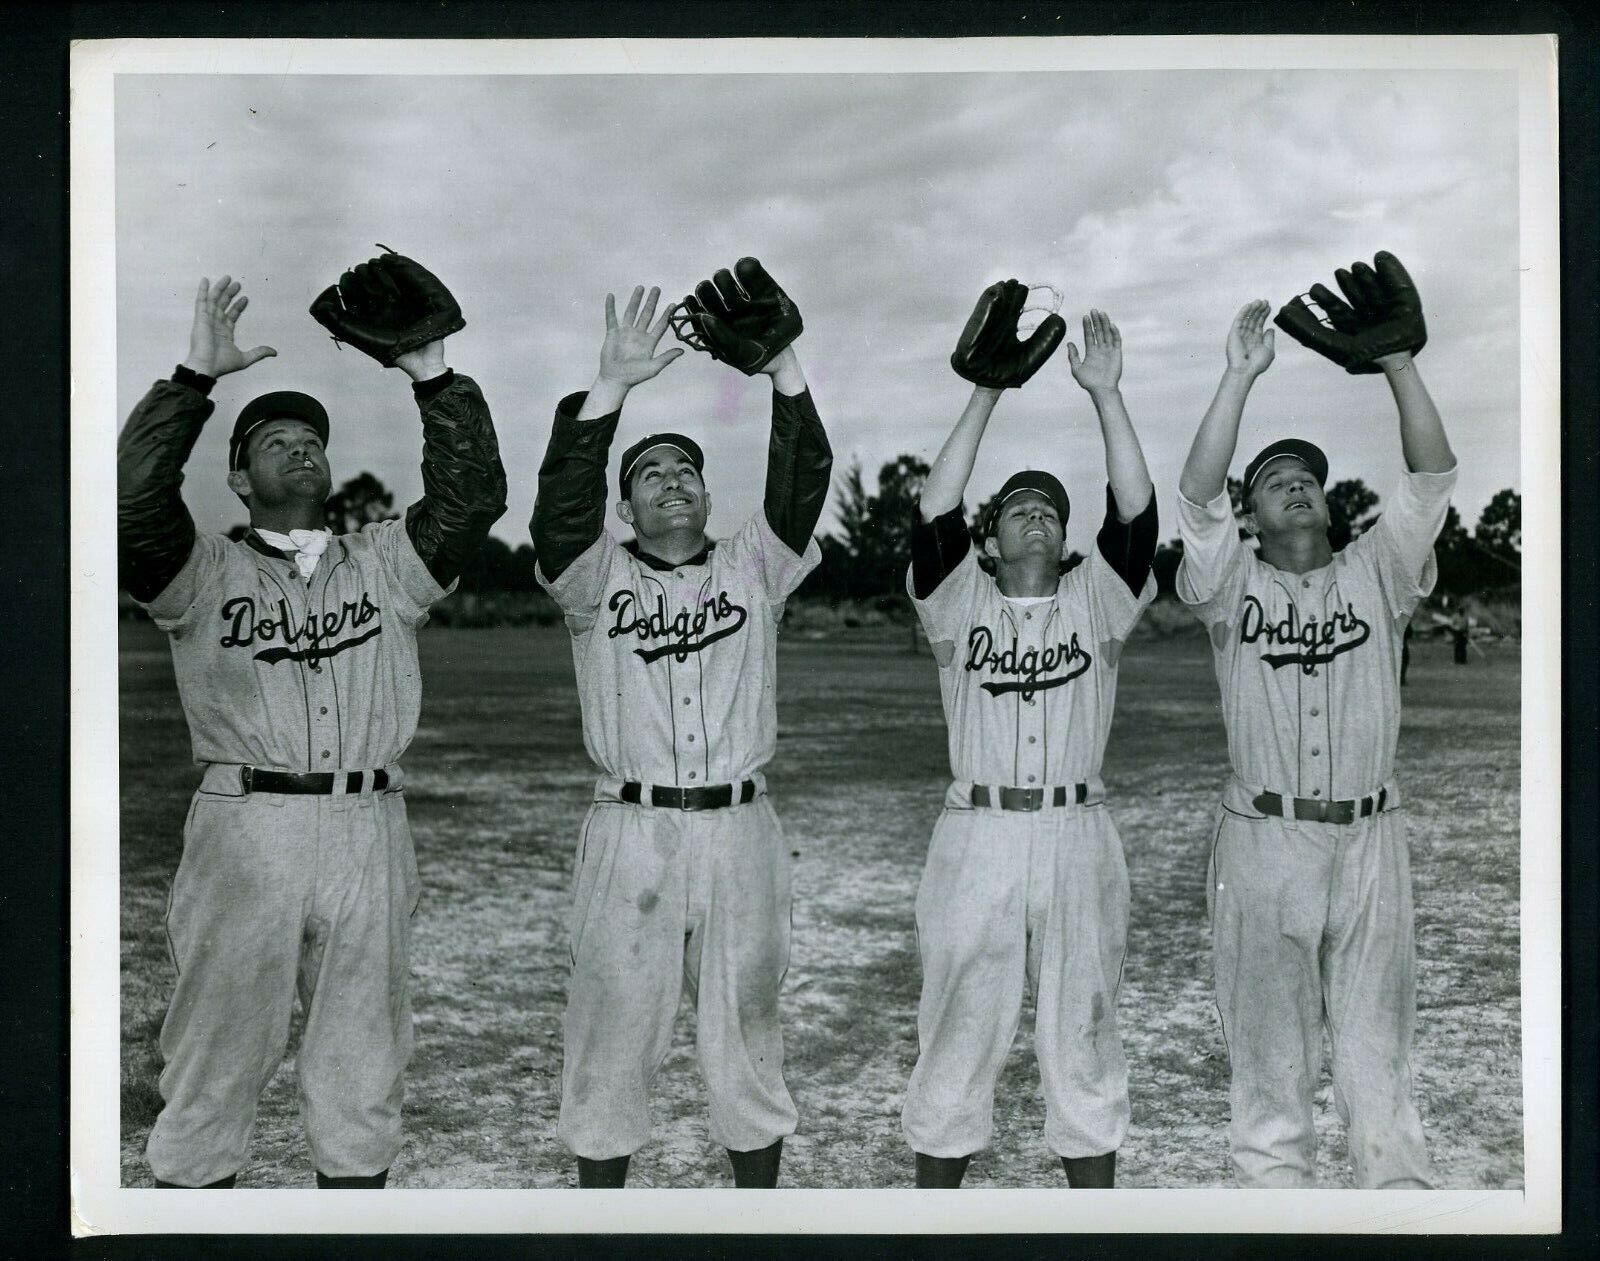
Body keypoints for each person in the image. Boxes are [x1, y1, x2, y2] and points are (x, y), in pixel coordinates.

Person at [118, 264, 507, 1189]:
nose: (300, 449)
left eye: (310, 439)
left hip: (371, 824)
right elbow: (132, 499)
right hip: (246, 828)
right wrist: (191, 382)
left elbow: (472, 500)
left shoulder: (384, 562)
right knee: (213, 1067)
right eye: (275, 441)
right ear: (238, 475)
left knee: (362, 1074)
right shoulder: (199, 570)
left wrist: (433, 375)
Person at [530, 265, 832, 1189]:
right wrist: (610, 391)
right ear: (625, 506)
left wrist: (785, 373)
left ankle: (758, 1221)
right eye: (649, 472)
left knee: (746, 1032)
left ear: (707, 495)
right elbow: (557, 511)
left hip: (741, 828)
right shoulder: (592, 581)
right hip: (632, 831)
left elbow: (802, 480)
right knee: (611, 1036)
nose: (671, 479)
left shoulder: (756, 564)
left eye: (687, 469)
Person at [1175, 254, 1455, 1187]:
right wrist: (1238, 376)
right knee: (1269, 1090)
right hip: (1263, 838)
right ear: (1251, 516)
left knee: (1381, 1079)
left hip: (1372, 837)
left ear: (1329, 503)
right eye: (1274, 481)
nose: (1295, 484)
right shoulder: (1230, 584)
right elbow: (1195, 499)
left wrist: (1399, 365)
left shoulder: (1377, 569)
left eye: (1309, 478)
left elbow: (1430, 479)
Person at [901, 290, 1157, 1190]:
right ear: (993, 534)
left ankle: (1094, 1223)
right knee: (959, 1026)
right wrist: (986, 395)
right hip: (977, 834)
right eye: (1018, 507)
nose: (1038, 515)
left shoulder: (1101, 602)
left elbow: (1137, 511)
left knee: (1082, 1027)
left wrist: (1107, 395)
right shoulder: (955, 600)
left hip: (1079, 830)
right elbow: (932, 512)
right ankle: (934, 1219)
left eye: (1051, 507)